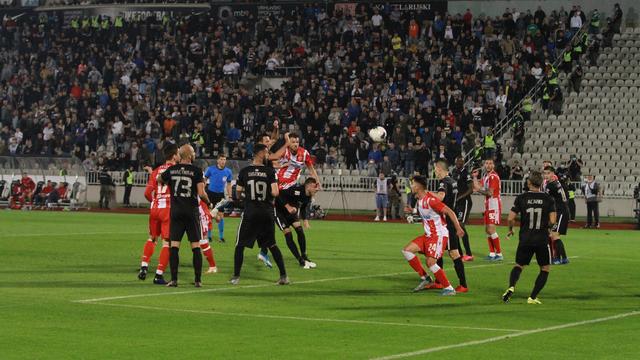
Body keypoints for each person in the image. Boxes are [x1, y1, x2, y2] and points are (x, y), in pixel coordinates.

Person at [232, 144, 289, 285]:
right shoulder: (270, 172)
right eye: (267, 152)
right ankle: (283, 276)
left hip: (251, 212)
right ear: (261, 153)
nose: (268, 155)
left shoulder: (244, 171)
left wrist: (248, 194)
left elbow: (238, 193)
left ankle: (236, 277)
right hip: (266, 213)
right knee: (272, 245)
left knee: (240, 245)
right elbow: (275, 192)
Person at [157, 144, 212, 287]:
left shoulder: (172, 169)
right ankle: (198, 280)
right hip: (191, 212)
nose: (194, 154)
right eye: (193, 152)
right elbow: (201, 193)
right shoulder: (196, 171)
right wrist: (209, 203)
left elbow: (159, 179)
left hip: (176, 212)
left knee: (174, 246)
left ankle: (174, 279)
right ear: (188, 155)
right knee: (195, 246)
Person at [401, 175, 465, 296]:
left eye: (413, 184)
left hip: (438, 235)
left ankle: (449, 288)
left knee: (430, 262)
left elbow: (450, 211)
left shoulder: (431, 200)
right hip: (428, 235)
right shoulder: (420, 200)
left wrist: (458, 228)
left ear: (419, 186)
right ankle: (426, 278)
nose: (411, 186)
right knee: (407, 251)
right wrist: (413, 211)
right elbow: (427, 215)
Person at [502, 171, 556, 305]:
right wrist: (547, 227)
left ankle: (511, 286)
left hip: (525, 238)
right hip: (541, 239)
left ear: (529, 183)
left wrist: (510, 229)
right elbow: (553, 220)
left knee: (519, 265)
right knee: (545, 268)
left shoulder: (521, 197)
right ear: (541, 183)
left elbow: (510, 218)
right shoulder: (549, 199)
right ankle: (532, 297)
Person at [138, 144, 179, 284]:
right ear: (174, 156)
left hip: (155, 208)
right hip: (167, 209)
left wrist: (155, 201)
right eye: (178, 153)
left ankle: (144, 267)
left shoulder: (156, 171)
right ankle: (159, 275)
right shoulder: (175, 171)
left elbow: (147, 193)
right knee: (166, 243)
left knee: (152, 238)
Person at [432, 160, 469, 293]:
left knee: (453, 253)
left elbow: (440, 197)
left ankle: (463, 285)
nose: (435, 172)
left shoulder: (444, 182)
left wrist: (427, 194)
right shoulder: (453, 181)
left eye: (435, 169)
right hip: (449, 222)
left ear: (440, 169)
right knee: (439, 251)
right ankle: (438, 281)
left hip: (446, 223)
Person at [276, 177, 320, 269]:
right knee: (288, 234)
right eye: (315, 187)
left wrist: (305, 220)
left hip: (291, 213)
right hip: (279, 212)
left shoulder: (308, 196)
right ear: (308, 186)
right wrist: (288, 207)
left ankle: (304, 256)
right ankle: (300, 260)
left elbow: (303, 208)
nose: (317, 189)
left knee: (300, 230)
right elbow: (279, 194)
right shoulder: (296, 190)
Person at [473, 158, 503, 261]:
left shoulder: (493, 177)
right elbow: (477, 186)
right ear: (484, 165)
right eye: (486, 163)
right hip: (488, 205)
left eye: (490, 163)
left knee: (491, 229)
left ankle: (499, 254)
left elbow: (490, 193)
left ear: (493, 165)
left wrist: (479, 190)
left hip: (494, 205)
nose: (488, 165)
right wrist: (474, 177)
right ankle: (492, 253)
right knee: (487, 230)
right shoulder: (486, 176)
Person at [543, 166, 570, 265]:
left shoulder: (551, 186)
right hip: (560, 211)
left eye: (548, 173)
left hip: (561, 212)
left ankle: (561, 258)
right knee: (553, 234)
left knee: (554, 235)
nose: (546, 175)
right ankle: (561, 258)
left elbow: (546, 200)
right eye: (545, 173)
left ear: (553, 174)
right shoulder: (556, 182)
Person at [204, 154, 233, 243]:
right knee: (210, 216)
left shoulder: (228, 171)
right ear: (217, 160)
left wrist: (230, 195)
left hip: (220, 196)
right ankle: (209, 236)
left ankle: (221, 237)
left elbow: (229, 184)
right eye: (221, 159)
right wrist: (202, 191)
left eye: (224, 159)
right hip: (210, 194)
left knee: (221, 216)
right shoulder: (210, 169)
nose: (223, 161)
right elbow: (204, 180)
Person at [451, 157, 474, 261]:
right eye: (457, 162)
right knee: (455, 226)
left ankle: (468, 253)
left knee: (461, 225)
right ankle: (459, 253)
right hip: (456, 203)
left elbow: (471, 189)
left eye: (461, 162)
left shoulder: (466, 173)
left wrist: (461, 197)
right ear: (455, 162)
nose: (459, 163)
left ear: (463, 163)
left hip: (464, 202)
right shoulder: (453, 172)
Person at [198, 199, 217, 274]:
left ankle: (212, 266)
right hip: (194, 213)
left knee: (202, 241)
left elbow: (202, 194)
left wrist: (208, 203)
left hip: (200, 215)